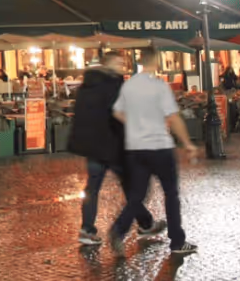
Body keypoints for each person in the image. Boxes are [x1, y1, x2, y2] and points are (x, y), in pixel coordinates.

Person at [68, 51, 166, 246]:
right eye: (119, 62)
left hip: (93, 145)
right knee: (132, 185)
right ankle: (145, 225)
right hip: (112, 145)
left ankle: (87, 229)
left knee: (93, 188)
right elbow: (121, 113)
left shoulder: (86, 85)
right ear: (108, 63)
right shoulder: (113, 84)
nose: (123, 65)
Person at [108, 48, 199, 257]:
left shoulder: (128, 86)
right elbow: (174, 117)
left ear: (140, 62)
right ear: (156, 62)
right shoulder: (160, 86)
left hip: (135, 148)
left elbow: (117, 112)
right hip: (160, 146)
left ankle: (118, 230)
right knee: (171, 194)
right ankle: (177, 241)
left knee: (136, 196)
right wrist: (187, 143)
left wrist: (134, 125)